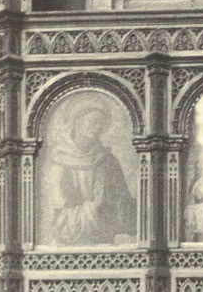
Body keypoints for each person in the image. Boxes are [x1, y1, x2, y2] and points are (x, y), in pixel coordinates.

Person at [38, 98, 137, 246]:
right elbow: (58, 216)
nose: (97, 128)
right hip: (69, 244)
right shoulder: (60, 162)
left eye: (101, 124)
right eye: (93, 122)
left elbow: (123, 204)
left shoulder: (108, 161)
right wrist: (94, 210)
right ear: (77, 122)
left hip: (106, 242)